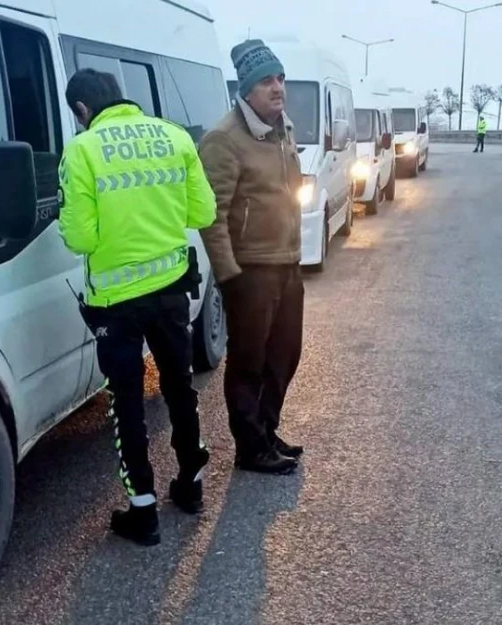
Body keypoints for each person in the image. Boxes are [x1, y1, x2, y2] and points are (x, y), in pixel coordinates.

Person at [58, 69, 217, 546]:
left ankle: (143, 510)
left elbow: (80, 238)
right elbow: (202, 214)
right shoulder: (172, 137)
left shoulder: (82, 151)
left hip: (116, 305)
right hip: (171, 289)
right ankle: (190, 483)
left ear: (83, 110)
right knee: (178, 386)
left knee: (126, 401)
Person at [199, 39, 305, 475]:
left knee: (286, 354)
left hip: (287, 262)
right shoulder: (224, 140)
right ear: (246, 91)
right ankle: (250, 447)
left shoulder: (285, 129)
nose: (277, 88)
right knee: (248, 362)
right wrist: (230, 276)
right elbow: (212, 216)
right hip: (251, 270)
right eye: (266, 81)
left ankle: (266, 429)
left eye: (280, 78)